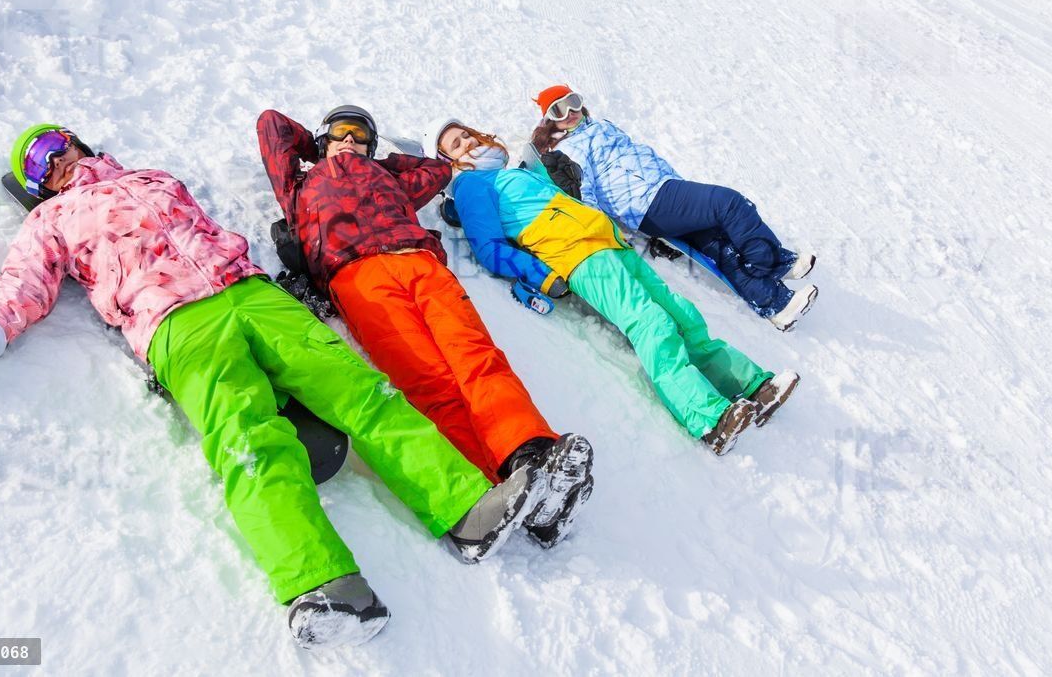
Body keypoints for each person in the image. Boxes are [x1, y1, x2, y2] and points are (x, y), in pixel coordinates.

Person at [0, 124, 550, 651]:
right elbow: (24, 280)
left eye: (55, 144)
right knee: (248, 440)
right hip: (174, 323)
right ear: (35, 185)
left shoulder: (154, 177)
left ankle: (466, 509)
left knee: (363, 392)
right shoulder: (52, 218)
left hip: (250, 291)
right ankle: (322, 582)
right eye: (37, 163)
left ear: (75, 141)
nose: (53, 160)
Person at [255, 106, 594, 549]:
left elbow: (434, 171)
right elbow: (271, 126)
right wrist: (320, 147)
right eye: (342, 131)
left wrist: (375, 161)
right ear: (323, 136)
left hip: (419, 262)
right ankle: (491, 489)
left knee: (476, 357)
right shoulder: (299, 184)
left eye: (362, 135)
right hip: (358, 277)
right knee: (427, 383)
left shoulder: (389, 177)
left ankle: (529, 457)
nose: (352, 140)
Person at [421, 118, 801, 456]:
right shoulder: (472, 184)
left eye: (467, 135)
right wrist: (543, 277)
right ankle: (708, 417)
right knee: (649, 322)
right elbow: (489, 249)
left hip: (608, 242)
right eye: (456, 144)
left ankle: (750, 387)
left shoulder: (517, 172)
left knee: (682, 315)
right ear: (447, 162)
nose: (468, 142)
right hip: (577, 256)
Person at [529, 85, 818, 331]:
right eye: (559, 110)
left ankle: (776, 304)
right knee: (728, 203)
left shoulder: (600, 126)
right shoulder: (569, 149)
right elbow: (584, 193)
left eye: (573, 103)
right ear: (549, 120)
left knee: (718, 244)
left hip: (660, 190)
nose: (570, 113)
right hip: (649, 199)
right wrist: (607, 228)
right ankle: (777, 261)